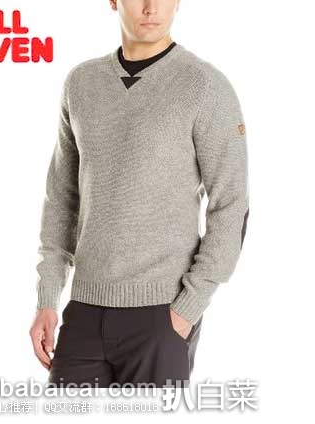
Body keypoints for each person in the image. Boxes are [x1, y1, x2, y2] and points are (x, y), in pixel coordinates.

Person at [29, 0, 249, 388]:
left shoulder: (204, 86)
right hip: (84, 312)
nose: (150, 7)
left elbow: (231, 205)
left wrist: (186, 310)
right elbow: (62, 197)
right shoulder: (81, 83)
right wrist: (48, 297)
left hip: (162, 314)